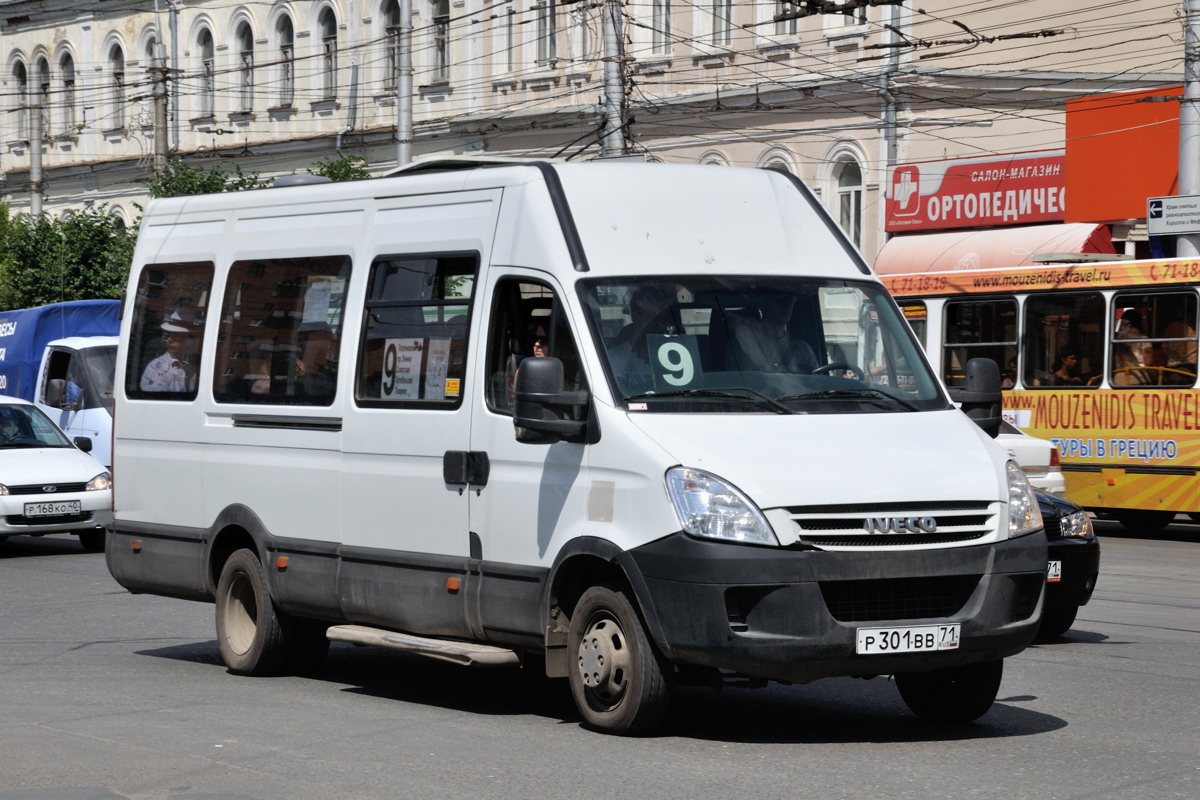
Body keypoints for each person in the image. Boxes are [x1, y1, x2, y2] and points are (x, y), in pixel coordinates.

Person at [607, 287, 673, 393]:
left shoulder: (678, 355)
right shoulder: (615, 358)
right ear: (636, 317)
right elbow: (617, 399)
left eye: (665, 318)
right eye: (654, 317)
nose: (662, 325)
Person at [730, 294, 817, 373]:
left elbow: (818, 384)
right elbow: (740, 384)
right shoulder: (744, 344)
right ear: (763, 304)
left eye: (791, 299)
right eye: (779, 300)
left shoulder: (803, 349)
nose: (787, 305)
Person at [140, 312, 198, 392]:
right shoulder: (157, 367)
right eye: (169, 335)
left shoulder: (192, 366)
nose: (169, 340)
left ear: (187, 340)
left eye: (176, 335)